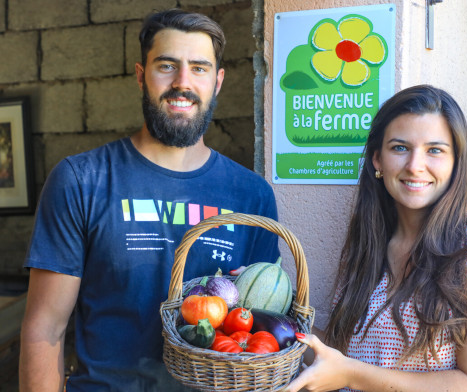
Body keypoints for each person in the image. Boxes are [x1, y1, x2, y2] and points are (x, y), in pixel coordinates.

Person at [19, 9, 280, 392]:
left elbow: (261, 328)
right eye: (167, 66)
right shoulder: (81, 180)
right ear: (142, 75)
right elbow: (45, 327)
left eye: (199, 68)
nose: (182, 83)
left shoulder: (252, 195)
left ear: (218, 82)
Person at [287, 85, 467, 392]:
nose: (415, 166)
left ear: (456, 161)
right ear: (378, 159)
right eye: (400, 148)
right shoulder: (369, 249)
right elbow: (340, 358)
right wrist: (273, 315)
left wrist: (351, 375)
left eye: (435, 150)